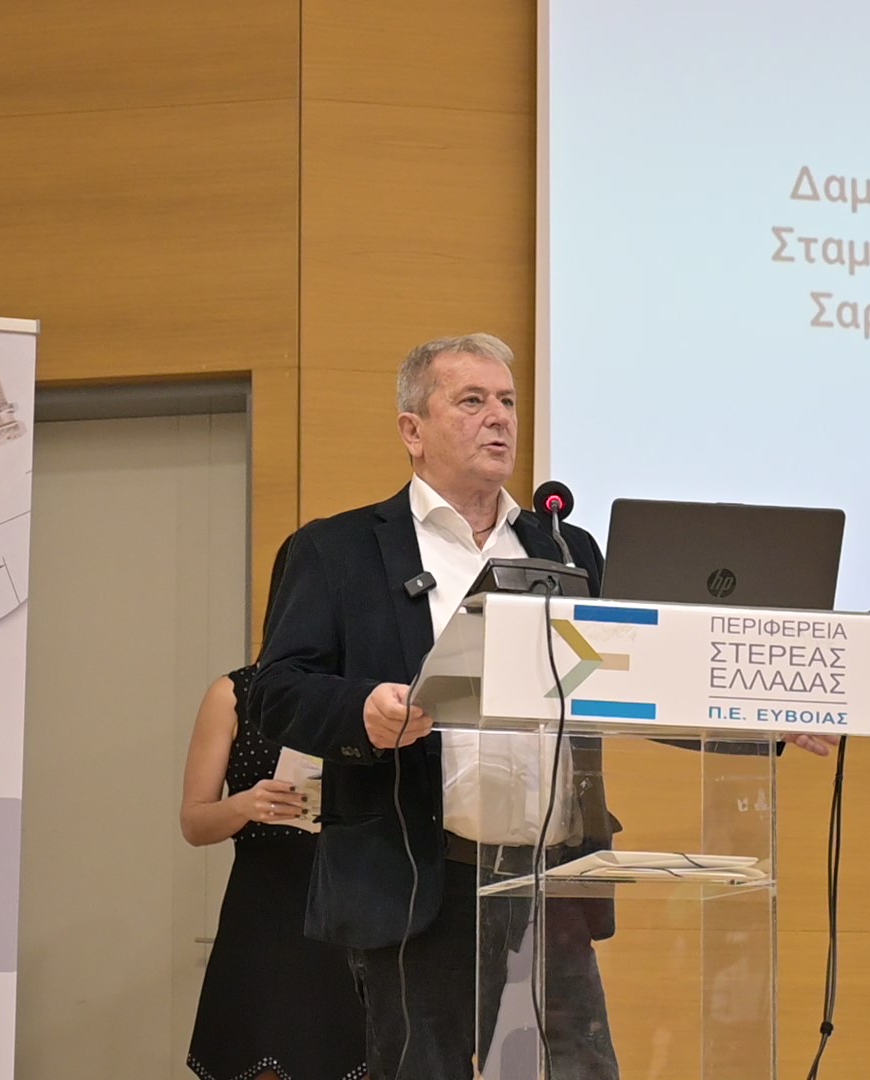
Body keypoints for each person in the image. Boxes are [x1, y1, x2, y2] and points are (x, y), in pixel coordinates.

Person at [248, 333, 836, 1079]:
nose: (499, 417)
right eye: (472, 401)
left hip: (553, 881)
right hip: (418, 879)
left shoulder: (566, 549)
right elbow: (275, 690)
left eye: (507, 401)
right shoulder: (339, 551)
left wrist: (762, 715)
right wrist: (363, 709)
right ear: (412, 430)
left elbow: (638, 683)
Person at [181, 535, 368, 1080]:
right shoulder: (234, 693)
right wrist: (247, 804)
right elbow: (195, 821)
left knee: (360, 1056)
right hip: (267, 909)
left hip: (358, 900)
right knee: (262, 1058)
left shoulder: (372, 697)